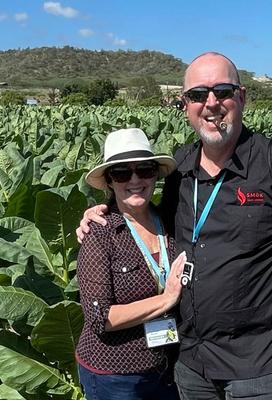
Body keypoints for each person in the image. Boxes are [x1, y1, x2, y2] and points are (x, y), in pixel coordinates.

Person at [77, 53, 272, 400]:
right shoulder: (181, 168)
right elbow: (145, 212)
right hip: (190, 361)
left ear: (242, 97)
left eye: (223, 92)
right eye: (198, 95)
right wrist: (104, 212)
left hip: (258, 364)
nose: (211, 103)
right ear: (185, 105)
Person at [76, 127, 186, 400]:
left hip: (167, 366)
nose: (135, 179)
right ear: (110, 181)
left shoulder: (171, 220)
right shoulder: (100, 233)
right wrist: (166, 299)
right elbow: (100, 317)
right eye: (122, 173)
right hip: (116, 376)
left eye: (145, 170)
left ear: (155, 175)